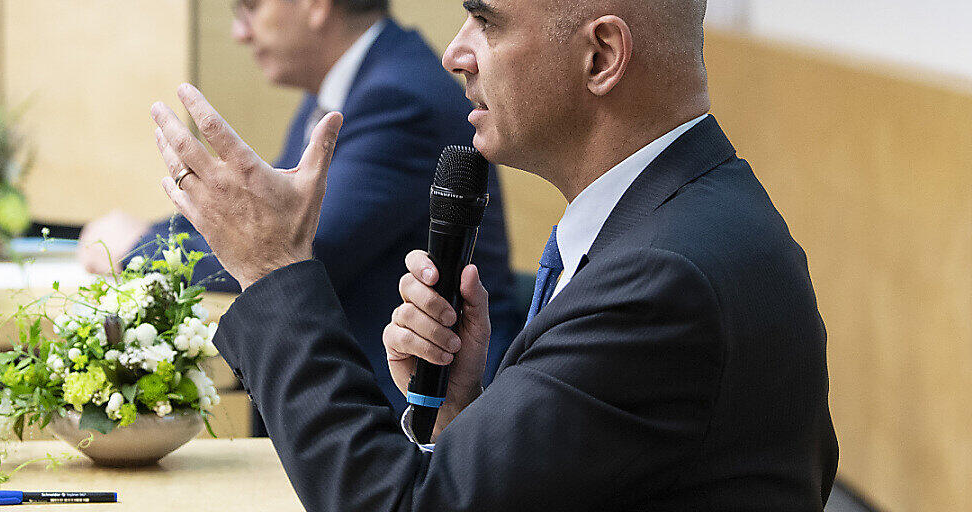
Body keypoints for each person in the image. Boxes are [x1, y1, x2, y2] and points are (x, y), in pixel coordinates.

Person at [149, 0, 839, 509]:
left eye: (487, 21)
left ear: (601, 56)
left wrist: (273, 268)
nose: (455, 53)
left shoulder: (664, 278)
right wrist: (466, 413)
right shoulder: (681, 215)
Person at [78, 0, 521, 415]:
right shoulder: (342, 88)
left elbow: (291, 247)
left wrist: (134, 251)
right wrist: (149, 237)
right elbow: (259, 215)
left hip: (413, 412)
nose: (239, 33)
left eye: (250, 8)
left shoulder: (399, 96)